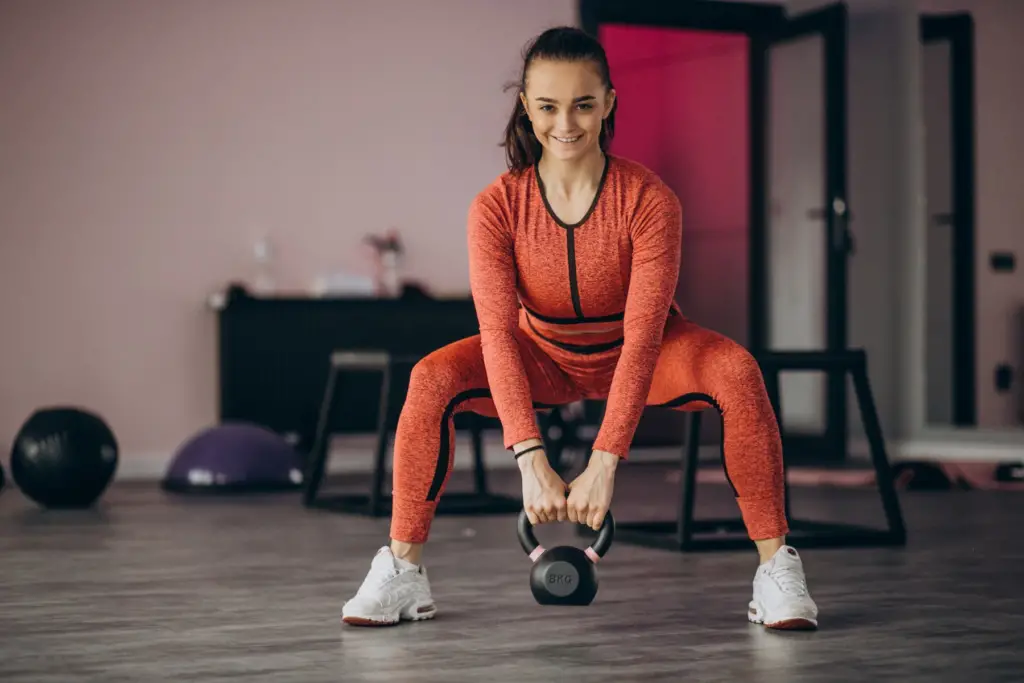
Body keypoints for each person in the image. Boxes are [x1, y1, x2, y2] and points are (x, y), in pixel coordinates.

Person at [341, 25, 819, 630]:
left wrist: (605, 459)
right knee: (431, 377)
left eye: (583, 104)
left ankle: (776, 569)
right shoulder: (496, 207)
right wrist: (530, 457)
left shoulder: (649, 200)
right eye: (547, 106)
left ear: (609, 103)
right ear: (526, 106)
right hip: (540, 353)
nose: (565, 123)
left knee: (736, 369)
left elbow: (643, 340)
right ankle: (403, 572)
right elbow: (496, 335)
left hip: (643, 353)